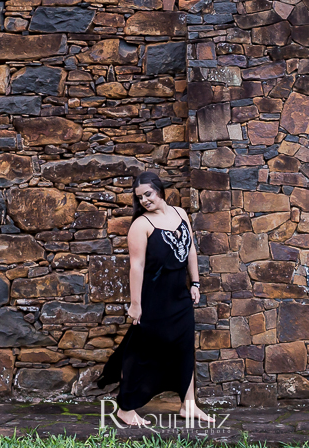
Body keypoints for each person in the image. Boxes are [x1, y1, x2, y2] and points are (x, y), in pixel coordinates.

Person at [95, 171, 214, 427]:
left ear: (159, 190)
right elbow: (136, 267)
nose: (145, 200)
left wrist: (194, 282)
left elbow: (190, 248)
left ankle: (189, 406)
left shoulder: (181, 214)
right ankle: (125, 409)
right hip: (153, 298)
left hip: (179, 295)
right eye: (140, 198)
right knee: (141, 350)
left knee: (184, 348)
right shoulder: (141, 225)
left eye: (148, 194)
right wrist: (136, 305)